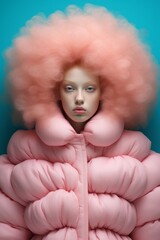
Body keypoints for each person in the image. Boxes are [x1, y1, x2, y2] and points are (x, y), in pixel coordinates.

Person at [0, 5, 160, 240]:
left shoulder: (137, 154)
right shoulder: (23, 153)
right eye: (69, 88)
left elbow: (151, 228)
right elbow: (8, 229)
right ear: (54, 91)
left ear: (105, 91)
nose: (79, 98)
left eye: (90, 88)